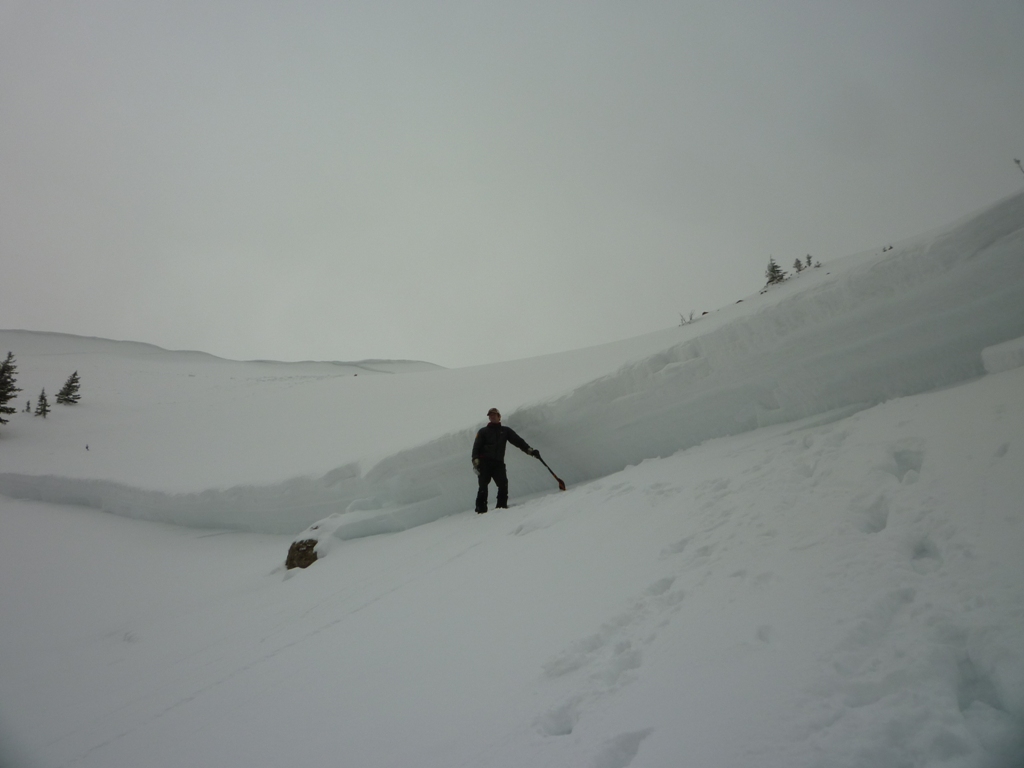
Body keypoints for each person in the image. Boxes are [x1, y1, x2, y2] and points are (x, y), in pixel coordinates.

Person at [472, 407, 538, 513]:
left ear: (499, 417)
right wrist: (475, 460)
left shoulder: (505, 431)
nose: (492, 416)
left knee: (503, 484)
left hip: (498, 463)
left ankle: (501, 507)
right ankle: (481, 509)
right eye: (490, 415)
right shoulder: (483, 431)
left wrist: (530, 450)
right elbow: (476, 447)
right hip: (484, 463)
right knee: (483, 486)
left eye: (494, 414)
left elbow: (518, 441)